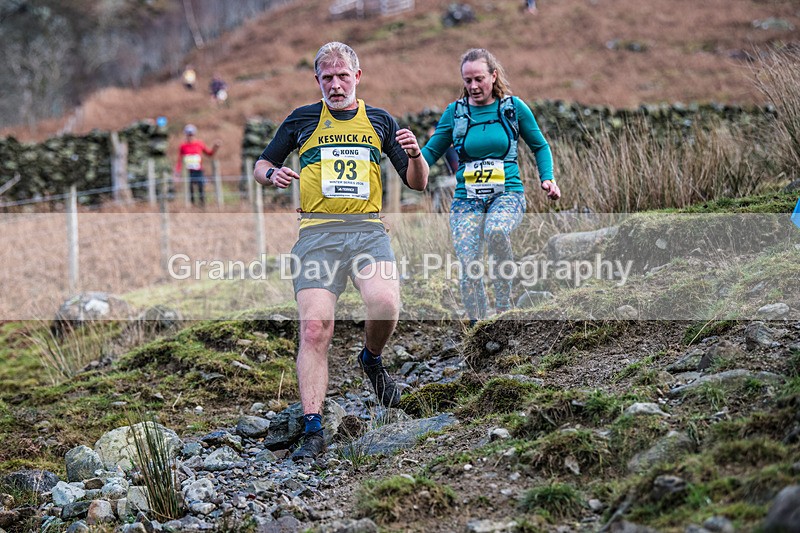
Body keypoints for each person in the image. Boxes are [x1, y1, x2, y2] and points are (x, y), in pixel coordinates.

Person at [253, 42, 428, 462]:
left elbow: (417, 183)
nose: (335, 84)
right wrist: (272, 174)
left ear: (357, 77)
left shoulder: (381, 121)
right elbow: (260, 165)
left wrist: (416, 154)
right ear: (317, 80)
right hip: (318, 235)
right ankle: (313, 428)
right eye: (327, 77)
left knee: (385, 303)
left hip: (367, 231)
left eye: (342, 76)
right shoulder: (302, 119)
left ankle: (371, 359)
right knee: (316, 328)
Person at [421, 48, 560, 325]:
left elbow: (540, 145)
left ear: (493, 76)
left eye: (479, 79)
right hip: (466, 199)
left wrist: (547, 177)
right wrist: (410, 159)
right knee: (468, 258)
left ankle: (503, 308)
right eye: (468, 80)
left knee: (497, 230)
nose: (473, 86)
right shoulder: (455, 113)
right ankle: (479, 323)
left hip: (507, 194)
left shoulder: (513, 108)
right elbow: (429, 153)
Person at [175, 124, 221, 206]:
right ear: (186, 135)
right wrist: (177, 172)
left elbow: (209, 154)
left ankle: (202, 206)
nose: (190, 136)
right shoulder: (183, 146)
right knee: (190, 189)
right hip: (188, 172)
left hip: (199, 171)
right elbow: (179, 160)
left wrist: (215, 147)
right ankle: (192, 206)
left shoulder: (199, 144)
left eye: (191, 134)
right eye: (188, 134)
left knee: (201, 187)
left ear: (194, 134)